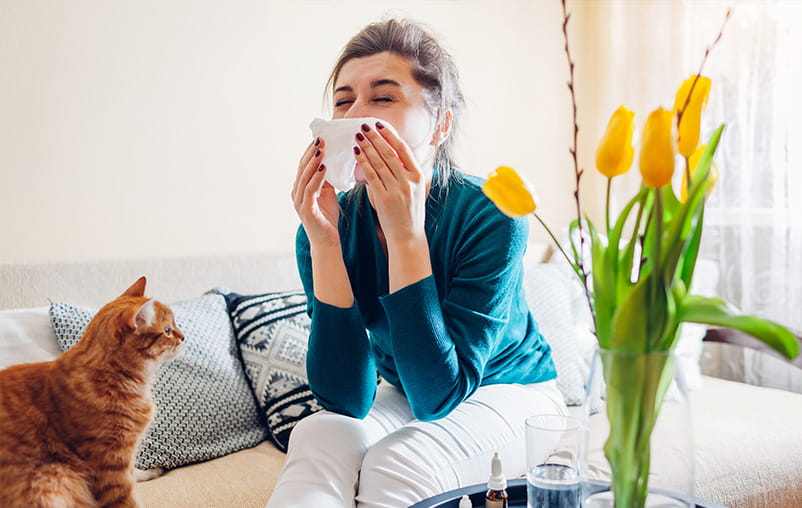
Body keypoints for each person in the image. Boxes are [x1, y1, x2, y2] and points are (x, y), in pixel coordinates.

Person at [269, 18, 565, 508]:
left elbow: (439, 396)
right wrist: (324, 246)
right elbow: (345, 399)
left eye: (383, 98)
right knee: (318, 435)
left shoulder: (492, 213)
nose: (356, 116)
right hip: (408, 390)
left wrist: (407, 236)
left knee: (398, 462)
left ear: (441, 123)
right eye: (343, 101)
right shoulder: (326, 226)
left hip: (513, 392)